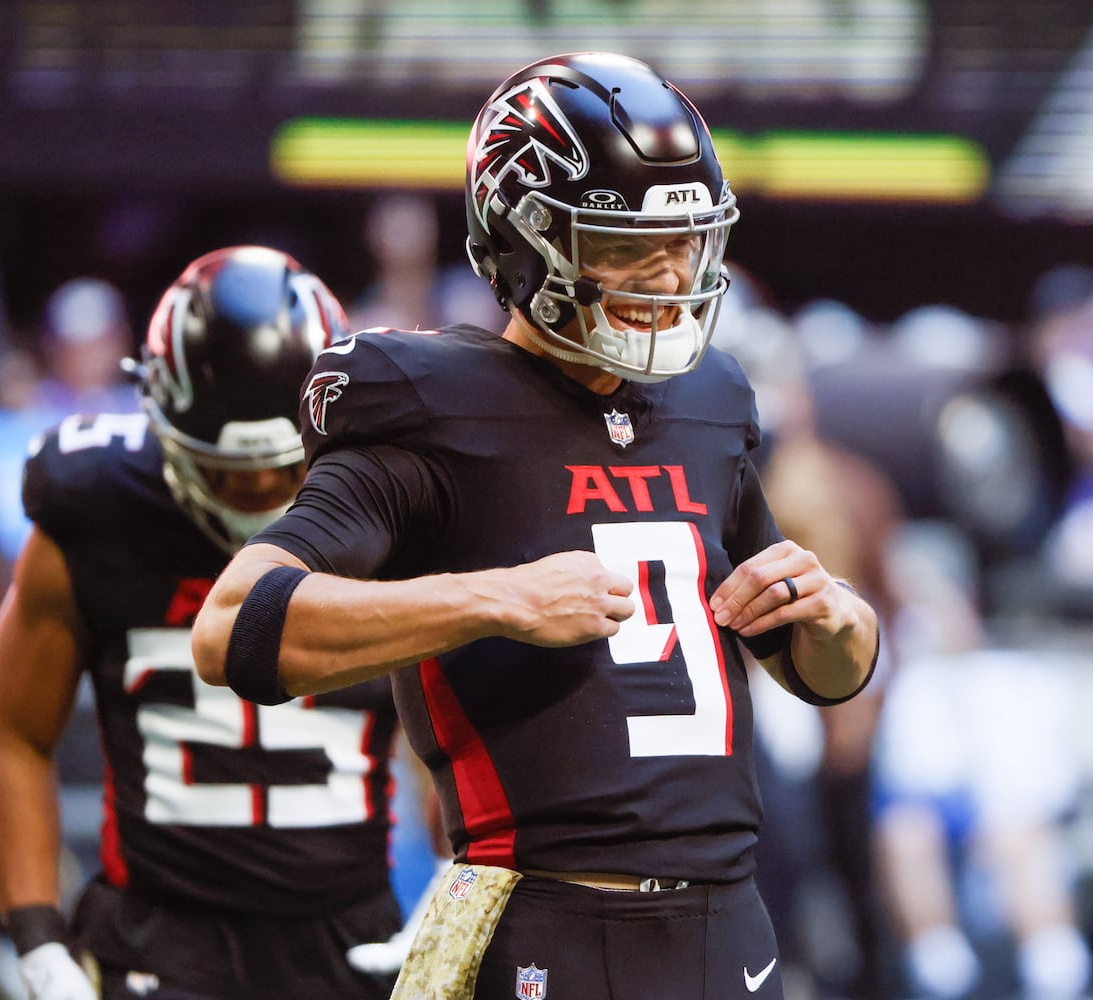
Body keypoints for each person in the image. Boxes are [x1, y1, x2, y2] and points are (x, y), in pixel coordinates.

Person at [190, 51, 879, 1000]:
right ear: (524, 242)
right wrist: (494, 599)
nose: (673, 272)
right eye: (628, 244)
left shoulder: (709, 399)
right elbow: (234, 627)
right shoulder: (429, 403)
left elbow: (820, 675)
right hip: (542, 917)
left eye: (686, 241)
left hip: (730, 923)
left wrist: (840, 618)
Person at [0, 246, 404, 1000]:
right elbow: (11, 730)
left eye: (284, 470)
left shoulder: (398, 501)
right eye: (224, 471)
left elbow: (477, 702)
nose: (254, 496)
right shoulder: (96, 505)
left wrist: (455, 874)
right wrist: (38, 935)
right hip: (158, 938)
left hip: (352, 934)